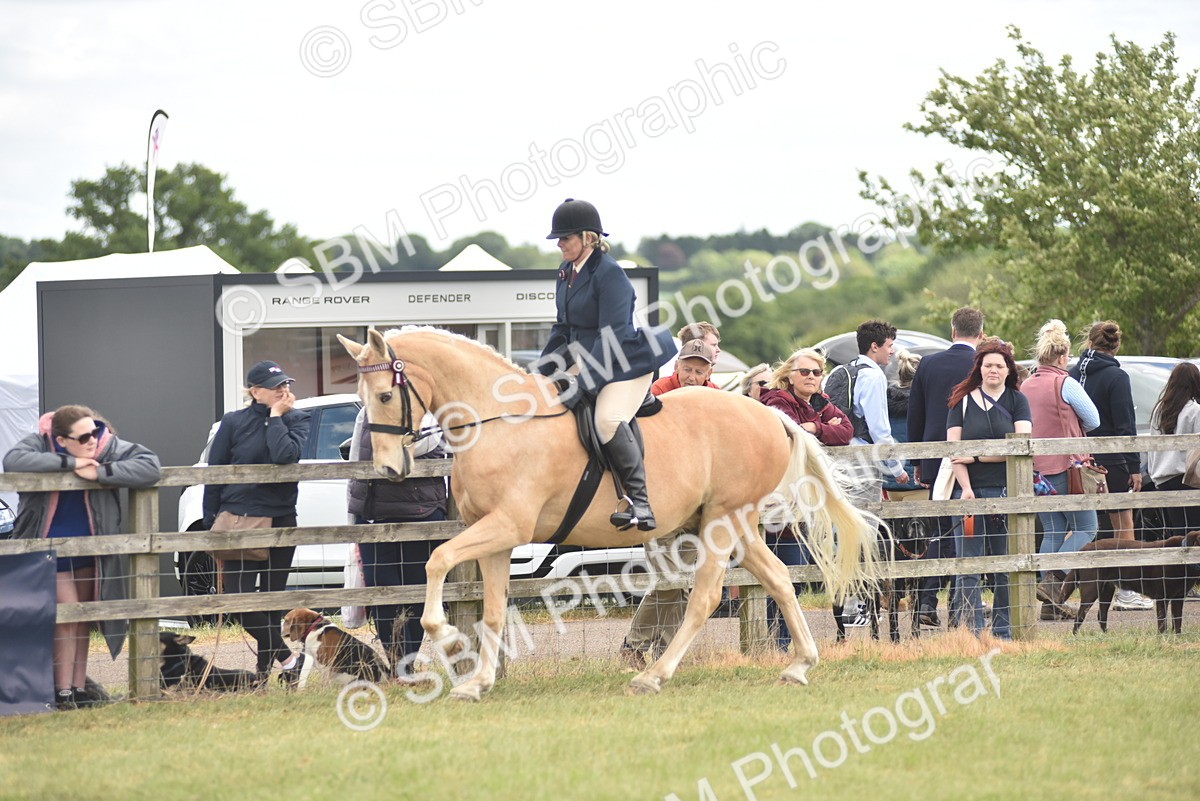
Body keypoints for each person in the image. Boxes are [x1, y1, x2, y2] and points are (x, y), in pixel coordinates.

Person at [3, 405, 161, 710]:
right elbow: (13, 461)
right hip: (48, 548)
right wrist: (71, 464)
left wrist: (100, 471)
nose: (93, 440)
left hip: (92, 550)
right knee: (67, 616)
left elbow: (150, 466)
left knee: (83, 619)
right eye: (84, 436)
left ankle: (78, 690)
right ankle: (61, 692)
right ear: (60, 440)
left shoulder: (106, 446)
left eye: (96, 431)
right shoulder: (39, 443)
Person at [537, 198, 676, 532]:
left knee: (607, 419)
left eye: (565, 238)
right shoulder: (566, 272)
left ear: (587, 237)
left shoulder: (609, 273)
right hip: (588, 355)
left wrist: (583, 383)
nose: (559, 244)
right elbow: (563, 328)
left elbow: (609, 336)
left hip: (623, 359)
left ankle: (640, 503)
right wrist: (541, 371)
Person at [202, 360, 311, 685]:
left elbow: (285, 455)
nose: (284, 390)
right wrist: (211, 521)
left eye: (285, 384)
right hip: (239, 521)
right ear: (254, 391)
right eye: (275, 386)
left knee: (272, 600)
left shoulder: (296, 418)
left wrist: (277, 417)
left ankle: (262, 677)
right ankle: (290, 658)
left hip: (280, 519)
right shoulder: (233, 422)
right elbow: (215, 472)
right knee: (240, 599)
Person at [620, 338, 717, 667]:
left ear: (709, 373)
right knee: (669, 579)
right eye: (686, 369)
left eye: (698, 371)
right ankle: (636, 646)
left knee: (679, 581)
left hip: (694, 505)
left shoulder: (714, 399)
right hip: (659, 499)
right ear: (676, 367)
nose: (691, 376)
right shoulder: (657, 393)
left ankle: (656, 652)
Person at [758, 347, 852, 648]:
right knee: (779, 573)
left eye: (816, 372)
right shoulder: (775, 400)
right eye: (805, 372)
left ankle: (783, 641)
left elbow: (847, 430)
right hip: (778, 500)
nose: (811, 377)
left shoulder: (821, 402)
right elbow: (788, 433)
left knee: (795, 576)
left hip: (806, 502)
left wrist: (811, 428)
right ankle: (775, 641)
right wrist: (821, 427)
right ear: (789, 375)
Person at [347, 408, 448, 682]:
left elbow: (430, 443)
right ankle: (396, 664)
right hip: (374, 515)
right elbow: (356, 457)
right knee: (382, 595)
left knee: (417, 594)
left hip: (422, 513)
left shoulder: (430, 414)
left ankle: (406, 665)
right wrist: (353, 512)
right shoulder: (367, 412)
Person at [945, 339, 1032, 640]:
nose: (993, 370)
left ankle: (1003, 631)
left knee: (1004, 566)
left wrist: (978, 456)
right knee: (969, 566)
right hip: (969, 494)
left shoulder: (1017, 401)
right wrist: (966, 487)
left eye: (998, 365)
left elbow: (1019, 447)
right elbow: (954, 450)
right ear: (979, 369)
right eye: (987, 365)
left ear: (1008, 369)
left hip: (1005, 492)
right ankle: (973, 632)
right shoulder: (962, 401)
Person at [907, 307, 984, 627]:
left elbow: (916, 414)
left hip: (934, 457)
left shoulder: (929, 363)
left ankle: (926, 600)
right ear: (980, 333)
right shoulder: (984, 365)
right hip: (973, 461)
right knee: (967, 533)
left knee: (939, 533)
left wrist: (917, 460)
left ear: (952, 331)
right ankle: (958, 606)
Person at [1022, 320, 1102, 620]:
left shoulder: (1025, 385)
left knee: (1053, 529)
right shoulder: (1066, 382)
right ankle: (1054, 581)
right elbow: (1094, 420)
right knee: (1087, 527)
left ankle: (1048, 604)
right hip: (1068, 465)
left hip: (1036, 471)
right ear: (1062, 356)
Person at [1071, 321, 1143, 550]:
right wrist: (1134, 467)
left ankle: (1060, 578)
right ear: (1116, 347)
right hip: (1111, 460)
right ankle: (1126, 580)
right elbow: (1125, 426)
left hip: (1077, 459)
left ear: (1089, 343)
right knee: (1123, 522)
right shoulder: (1117, 377)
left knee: (1077, 525)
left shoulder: (1071, 375)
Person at [1147, 362, 1200, 540]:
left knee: (1176, 534)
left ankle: (1179, 568)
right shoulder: (1194, 410)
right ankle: (1191, 568)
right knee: (1193, 534)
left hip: (1162, 478)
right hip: (1187, 478)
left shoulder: (1160, 410)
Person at [650, 339, 719, 394]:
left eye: (699, 372)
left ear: (708, 374)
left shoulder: (714, 391)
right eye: (687, 370)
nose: (692, 378)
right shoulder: (660, 389)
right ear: (676, 367)